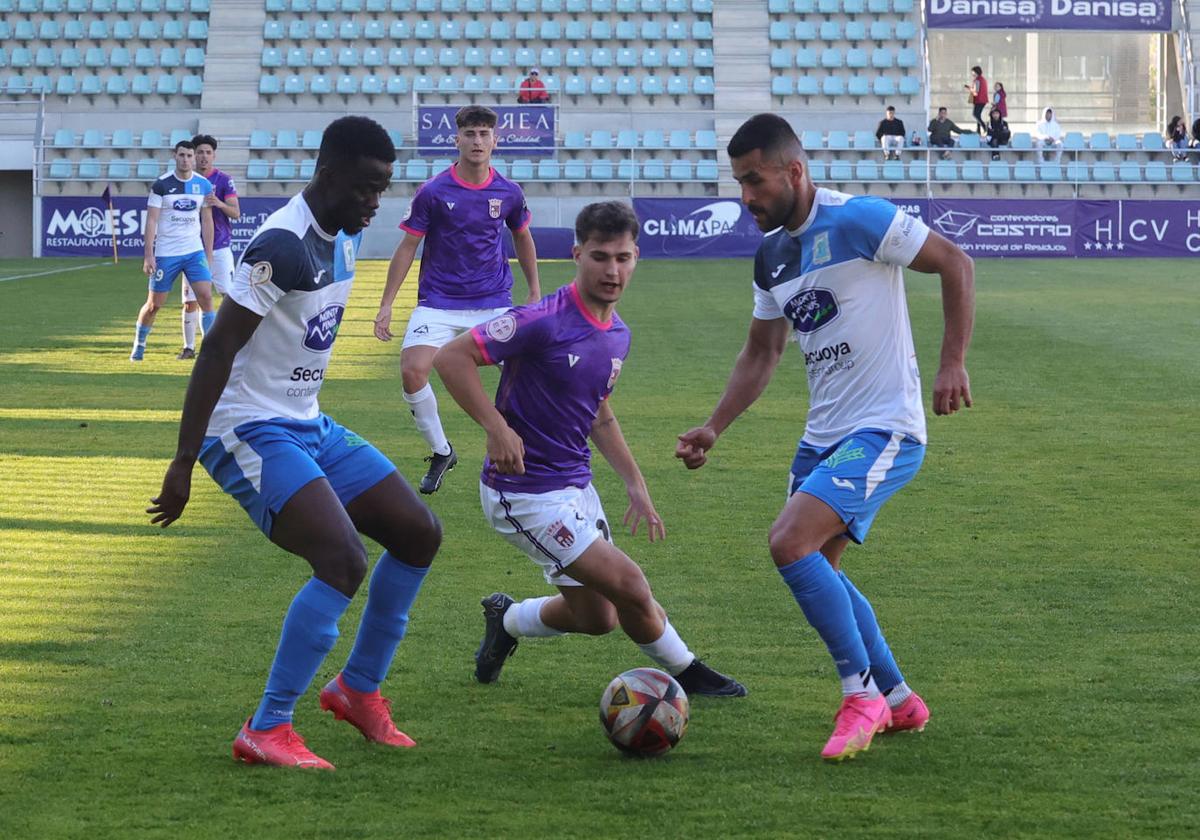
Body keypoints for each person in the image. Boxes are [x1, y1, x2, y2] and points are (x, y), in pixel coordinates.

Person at [675, 114, 975, 762]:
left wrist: (952, 361)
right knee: (823, 573)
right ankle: (897, 700)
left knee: (788, 542)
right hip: (822, 438)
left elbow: (954, 262)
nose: (746, 197)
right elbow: (762, 352)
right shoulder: (771, 256)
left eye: (754, 181)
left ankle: (859, 694)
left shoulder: (859, 220)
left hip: (886, 426)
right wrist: (714, 426)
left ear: (794, 171)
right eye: (739, 184)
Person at [147, 116, 442, 771]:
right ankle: (267, 726)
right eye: (366, 188)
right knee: (342, 560)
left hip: (307, 421)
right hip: (246, 427)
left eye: (383, 190)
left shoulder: (344, 236)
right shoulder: (280, 244)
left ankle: (357, 690)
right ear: (328, 174)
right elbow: (219, 346)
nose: (375, 202)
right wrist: (184, 460)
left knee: (418, 532)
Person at [433, 201, 747, 700]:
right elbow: (451, 358)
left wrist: (635, 484)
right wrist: (495, 427)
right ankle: (690, 674)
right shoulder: (541, 319)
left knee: (596, 616)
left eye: (623, 258)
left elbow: (598, 411)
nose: (612, 270)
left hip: (575, 486)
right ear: (577, 254)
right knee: (630, 585)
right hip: (523, 493)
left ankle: (507, 620)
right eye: (600, 256)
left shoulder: (618, 333)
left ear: (636, 257)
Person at [374, 105, 541, 495]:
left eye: (484, 134)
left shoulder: (509, 192)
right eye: (470, 134)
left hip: (494, 300)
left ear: (495, 141)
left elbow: (522, 237)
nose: (477, 141)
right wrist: (386, 303)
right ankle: (441, 451)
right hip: (439, 302)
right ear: (457, 140)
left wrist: (533, 290)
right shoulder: (433, 191)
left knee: (526, 371)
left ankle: (530, 444)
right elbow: (407, 247)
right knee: (413, 370)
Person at [130, 140, 214, 362]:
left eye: (189, 156)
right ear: (174, 156)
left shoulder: (204, 185)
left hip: (194, 252)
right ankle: (139, 346)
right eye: (182, 155)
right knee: (154, 305)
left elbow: (207, 221)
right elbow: (151, 221)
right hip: (167, 254)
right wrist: (149, 255)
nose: (186, 159)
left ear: (194, 158)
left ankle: (210, 351)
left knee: (206, 297)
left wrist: (209, 254)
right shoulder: (161, 185)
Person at [178, 133, 240, 360]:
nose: (204, 157)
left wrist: (219, 203)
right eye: (200, 152)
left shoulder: (223, 180)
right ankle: (189, 347)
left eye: (208, 153)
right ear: (193, 156)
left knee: (228, 297)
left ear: (214, 156)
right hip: (191, 250)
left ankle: (227, 344)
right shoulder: (185, 182)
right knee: (190, 301)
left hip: (220, 249)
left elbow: (236, 213)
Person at [964, 65, 988, 135]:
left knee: (975, 114)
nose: (972, 73)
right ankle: (978, 130)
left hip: (979, 100)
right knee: (978, 115)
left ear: (976, 72)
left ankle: (985, 127)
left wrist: (968, 88)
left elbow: (976, 91)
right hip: (982, 100)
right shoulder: (983, 79)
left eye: (973, 72)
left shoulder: (977, 80)